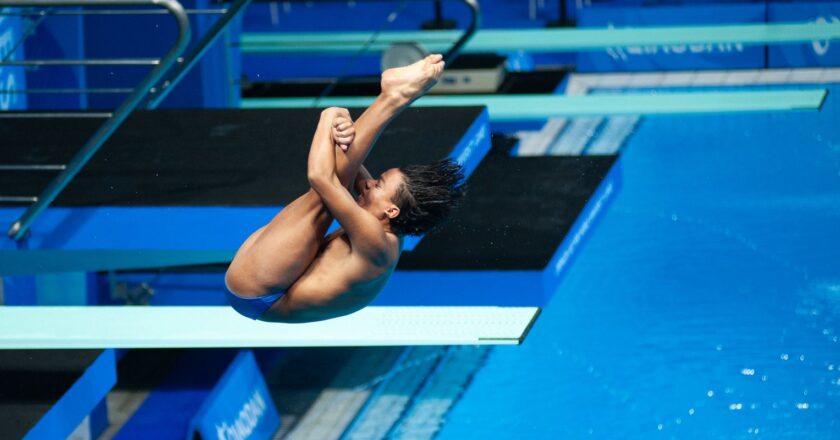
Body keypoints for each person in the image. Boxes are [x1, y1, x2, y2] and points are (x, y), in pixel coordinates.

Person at [224, 54, 465, 323]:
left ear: (392, 210)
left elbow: (320, 177)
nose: (371, 183)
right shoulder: (386, 225)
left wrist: (330, 116)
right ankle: (395, 96)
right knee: (340, 183)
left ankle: (396, 97)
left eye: (379, 184)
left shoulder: (375, 240)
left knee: (322, 198)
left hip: (259, 293)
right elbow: (350, 164)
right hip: (272, 282)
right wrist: (343, 129)